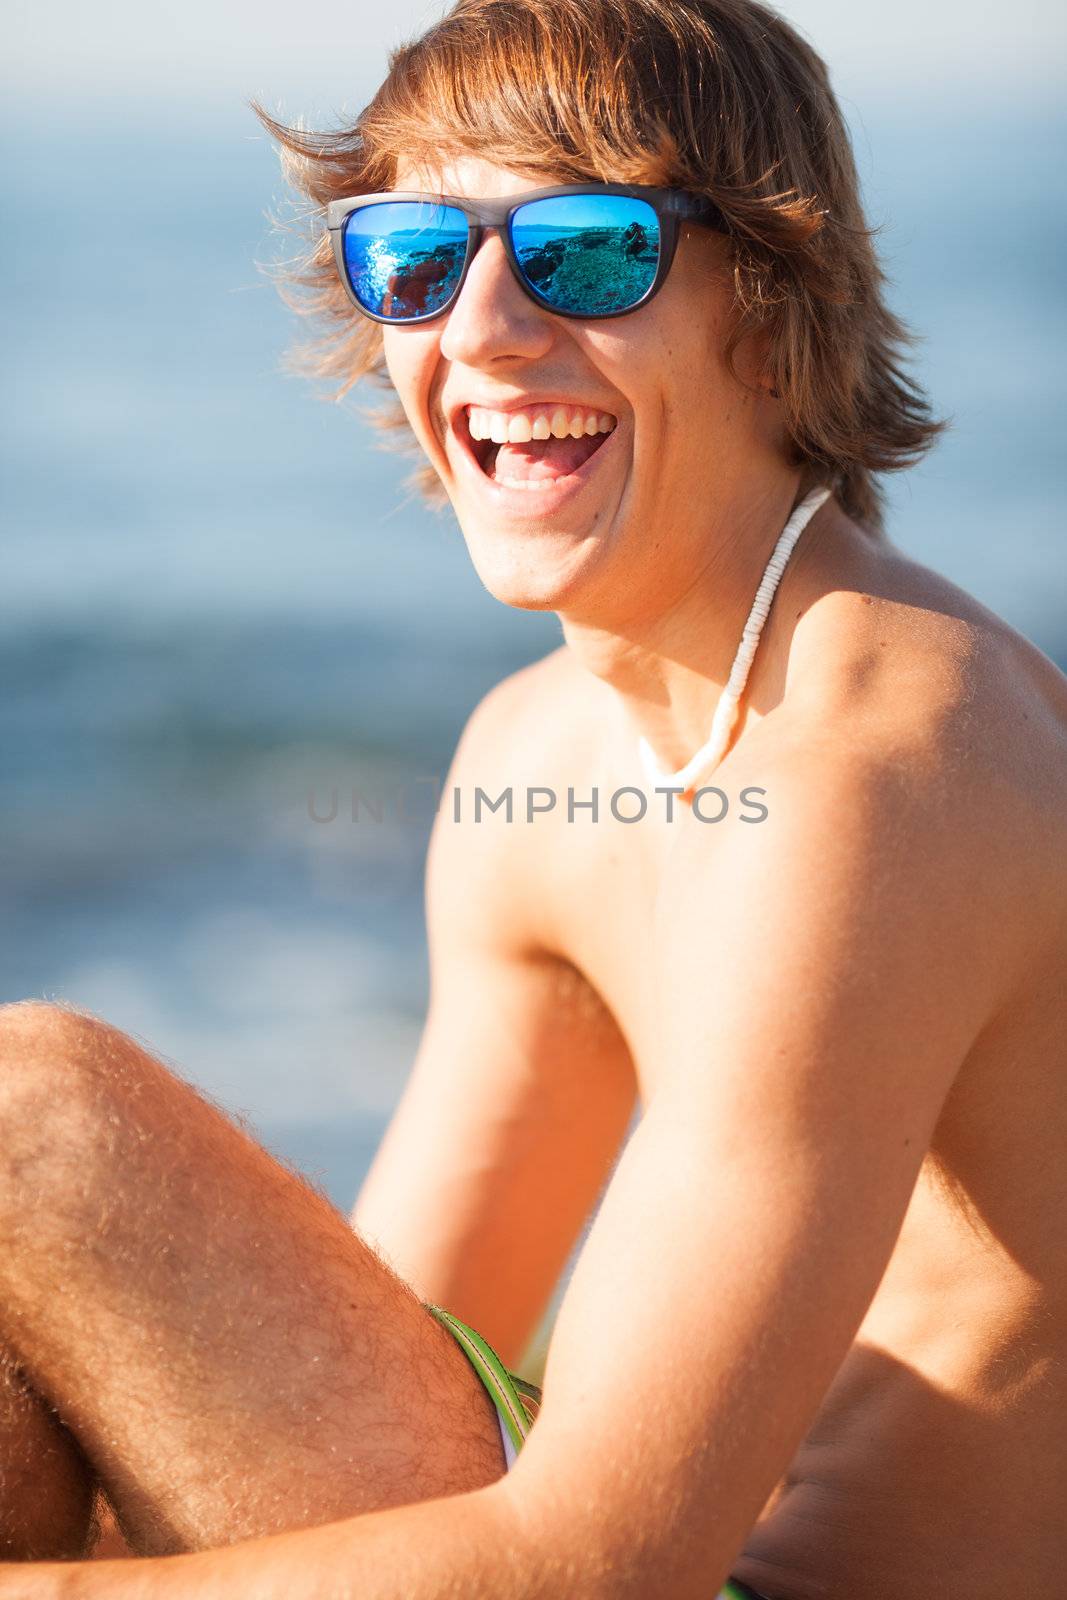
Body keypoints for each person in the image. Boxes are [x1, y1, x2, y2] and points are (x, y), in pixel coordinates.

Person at [1, 0, 1065, 1594]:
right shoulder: (538, 753)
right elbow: (399, 1346)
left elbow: (601, 1560)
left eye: (584, 253)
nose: (483, 331)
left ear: (771, 309)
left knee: (37, 1114)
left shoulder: (883, 761)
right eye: (416, 257)